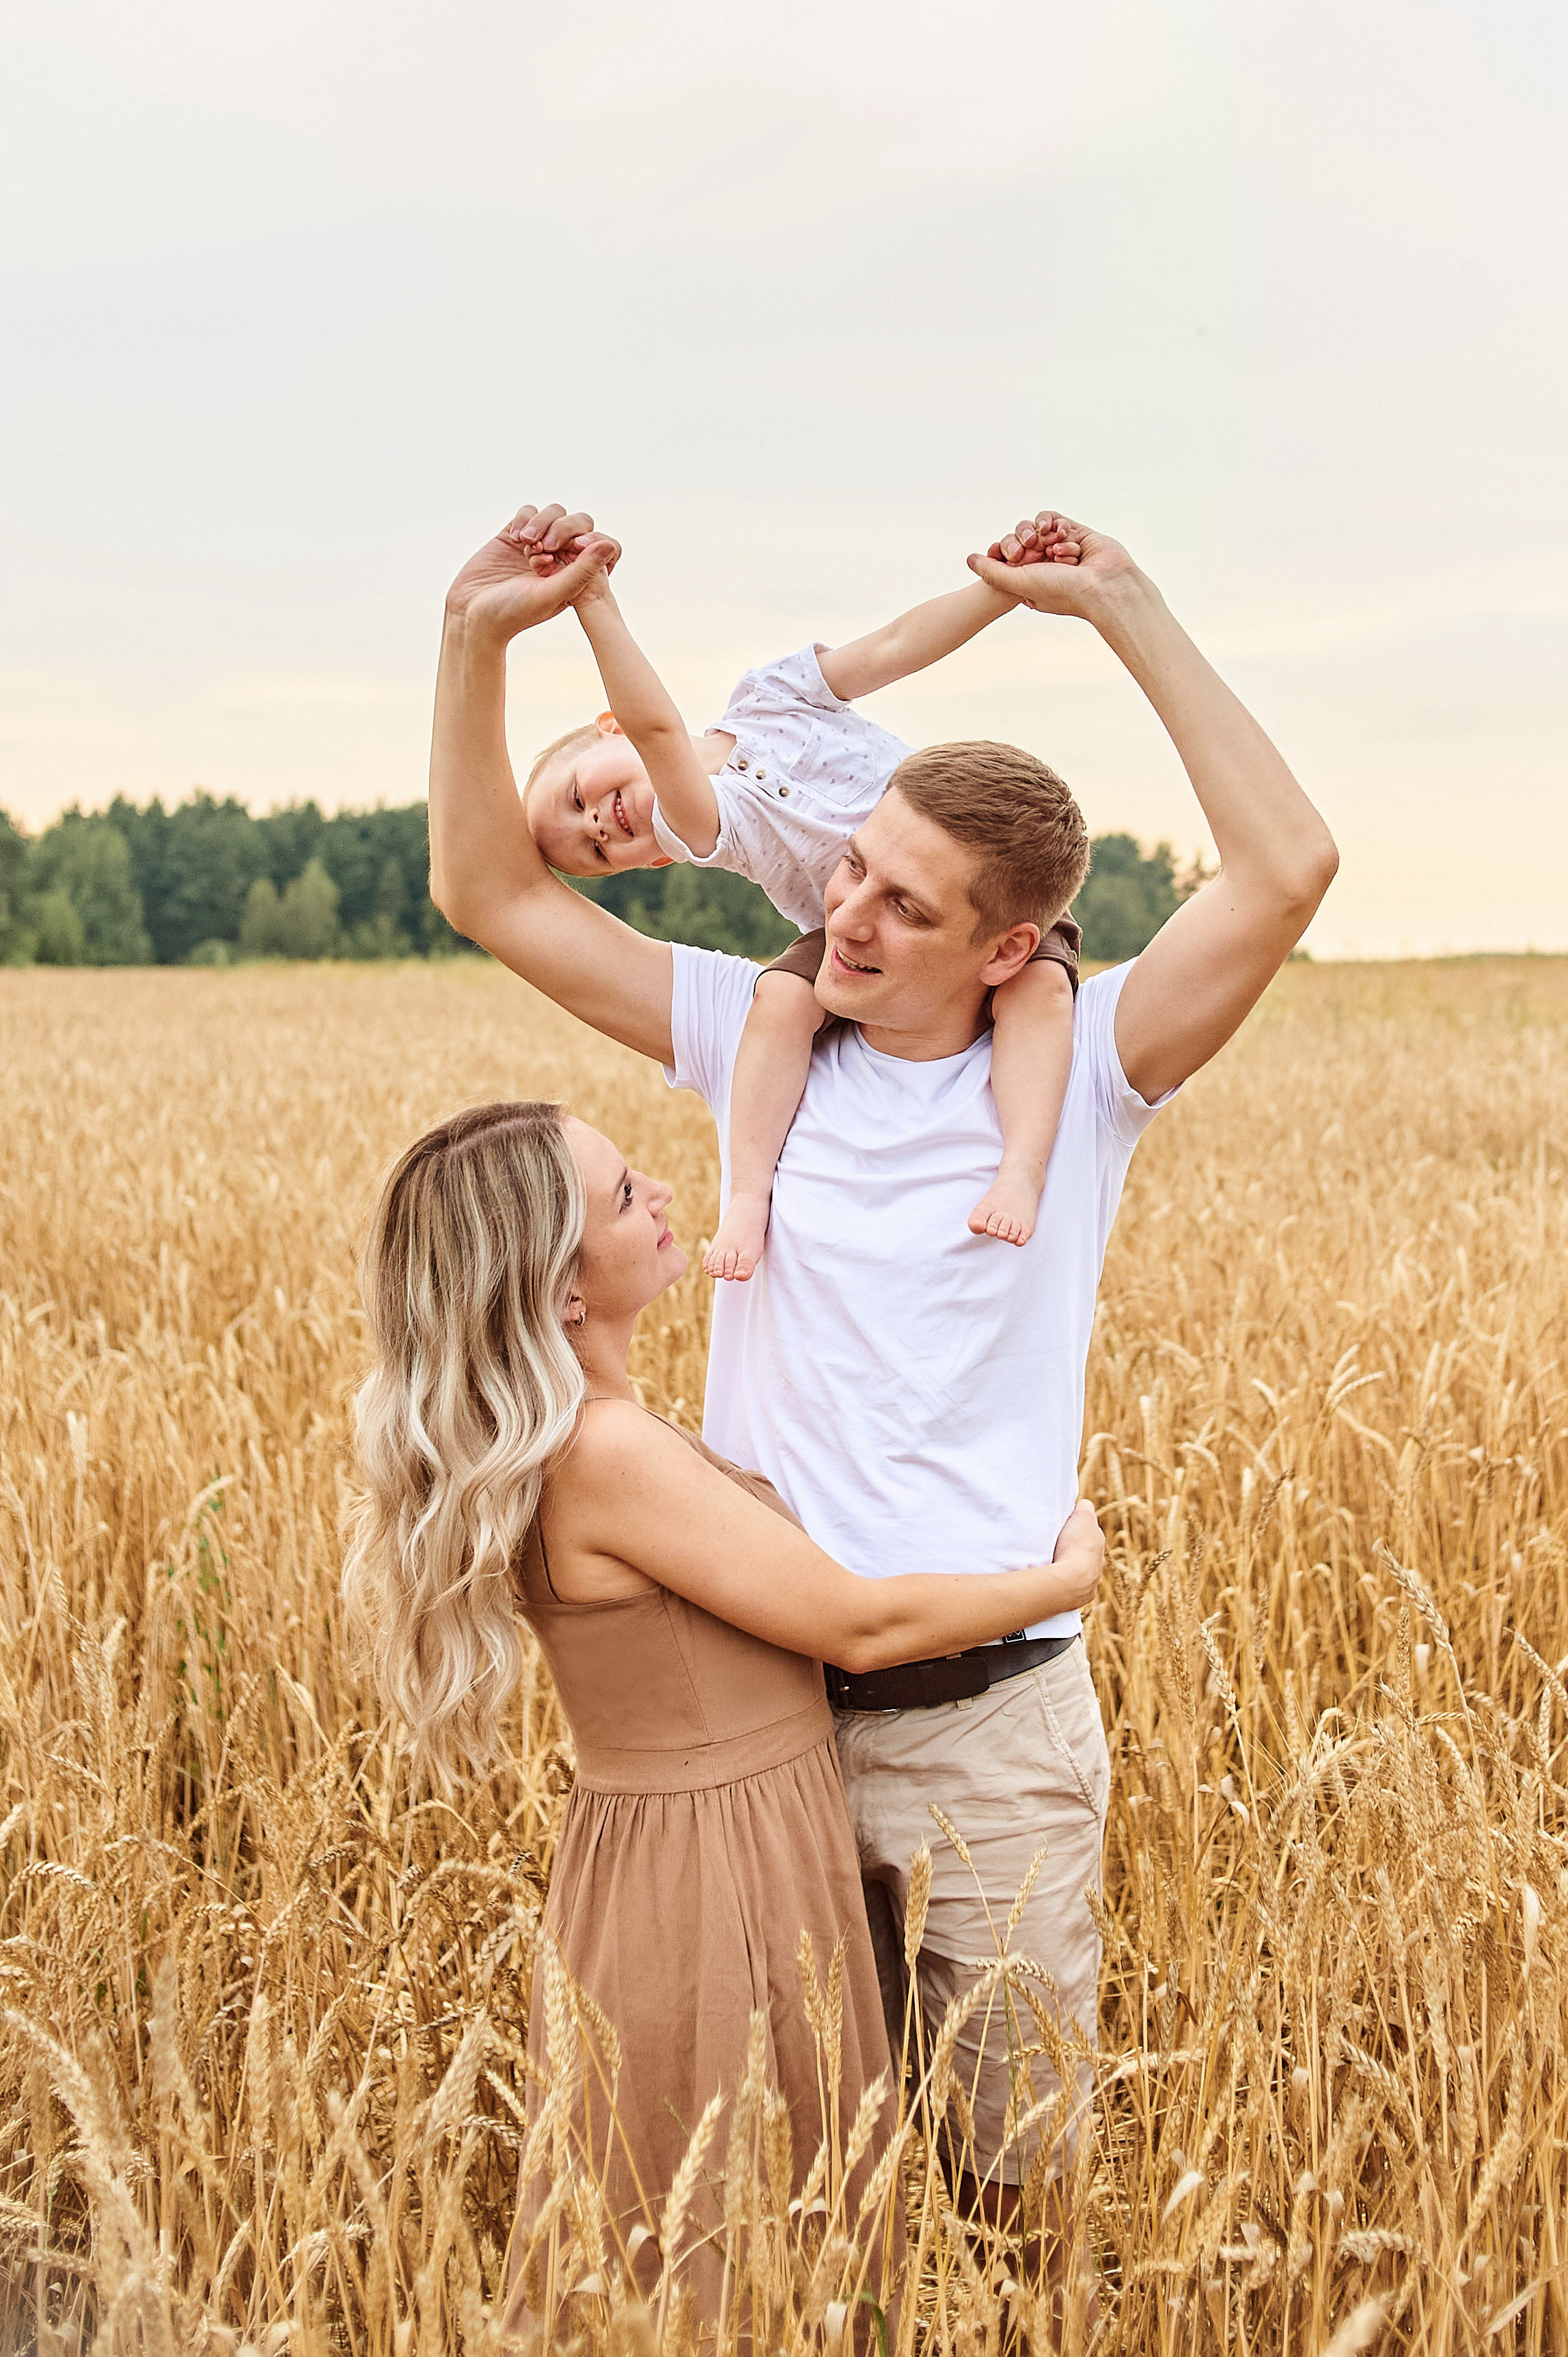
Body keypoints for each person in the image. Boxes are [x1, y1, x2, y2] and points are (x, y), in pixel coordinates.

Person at [425, 498, 1338, 2246]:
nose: (839, 912)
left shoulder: (1084, 1078)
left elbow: (1284, 866)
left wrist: (1124, 608)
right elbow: (488, 886)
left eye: (900, 903)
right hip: (764, 1727)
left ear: (1012, 950)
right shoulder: (749, 1040)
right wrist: (478, 640)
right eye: (849, 864)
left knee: (1010, 2189)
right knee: (794, 2201)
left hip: (994, 1729)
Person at [341, 1097, 1108, 2324]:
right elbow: (853, 1622)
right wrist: (1056, 1584)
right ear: (561, 1290)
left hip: (672, 1842)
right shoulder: (606, 1455)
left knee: (711, 2227)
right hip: (717, 1862)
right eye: (624, 1191)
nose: (660, 1196)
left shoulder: (570, 1442)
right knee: (728, 2239)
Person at [523, 538, 1084, 1274]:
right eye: (595, 853)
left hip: (979, 889)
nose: (595, 825)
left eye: (574, 797)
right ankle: (750, 1196)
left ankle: (1023, 1167)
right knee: (780, 1005)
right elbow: (660, 732)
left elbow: (894, 645)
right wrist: (593, 601)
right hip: (848, 928)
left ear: (609, 726)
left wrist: (1002, 591)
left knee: (1040, 988)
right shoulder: (696, 821)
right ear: (658, 857)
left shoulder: (770, 693)